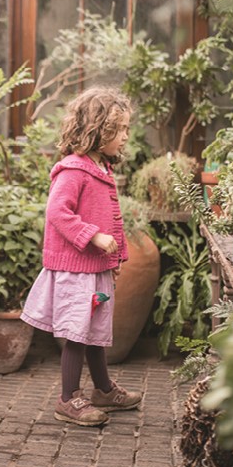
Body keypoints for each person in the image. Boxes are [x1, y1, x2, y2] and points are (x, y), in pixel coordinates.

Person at [21, 86, 142, 426]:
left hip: (94, 269)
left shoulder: (100, 167)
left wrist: (112, 261)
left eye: (126, 129)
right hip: (76, 270)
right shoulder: (73, 170)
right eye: (118, 130)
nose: (125, 137)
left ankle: (102, 390)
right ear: (96, 130)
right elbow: (57, 212)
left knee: (93, 331)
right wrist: (94, 237)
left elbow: (109, 218)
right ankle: (68, 399)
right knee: (77, 332)